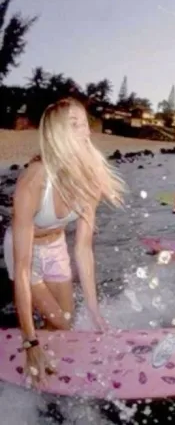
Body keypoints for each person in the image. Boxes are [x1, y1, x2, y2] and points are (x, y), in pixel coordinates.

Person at [3, 97, 125, 386]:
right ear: (57, 132)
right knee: (61, 321)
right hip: (25, 252)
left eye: (84, 123)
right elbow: (22, 269)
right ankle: (32, 349)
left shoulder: (91, 178)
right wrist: (30, 343)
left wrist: (95, 311)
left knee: (64, 323)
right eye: (74, 124)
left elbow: (83, 249)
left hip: (56, 248)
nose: (85, 131)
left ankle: (46, 364)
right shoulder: (35, 179)